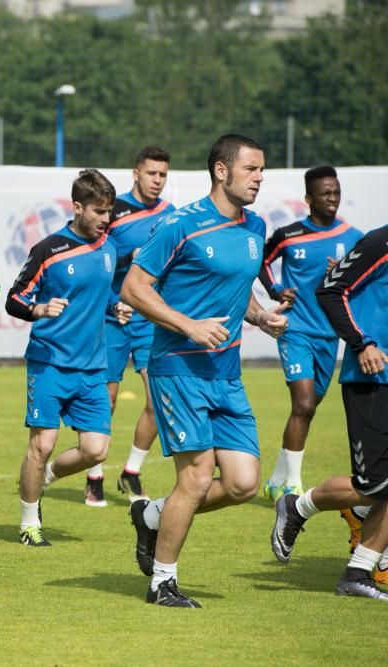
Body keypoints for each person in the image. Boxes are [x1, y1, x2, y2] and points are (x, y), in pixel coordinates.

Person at [122, 134, 289, 608]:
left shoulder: (255, 226)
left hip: (226, 374)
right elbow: (134, 288)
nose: (260, 178)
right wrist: (188, 326)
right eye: (252, 169)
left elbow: (239, 290)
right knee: (195, 479)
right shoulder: (180, 224)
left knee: (242, 483)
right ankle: (162, 582)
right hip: (177, 370)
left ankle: (153, 515)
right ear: (222, 171)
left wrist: (261, 317)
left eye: (263, 171)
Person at [6, 169, 130, 547]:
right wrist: (39, 310)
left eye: (109, 212)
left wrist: (117, 307)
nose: (106, 219)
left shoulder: (108, 248)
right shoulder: (49, 249)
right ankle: (29, 523)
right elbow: (14, 299)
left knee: (96, 450)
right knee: (41, 445)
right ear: (77, 208)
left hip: (93, 366)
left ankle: (42, 479)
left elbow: (104, 292)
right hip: (49, 363)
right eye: (99, 211)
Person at [270, 223, 388, 600]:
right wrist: (361, 343)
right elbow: (330, 289)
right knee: (374, 486)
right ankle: (297, 506)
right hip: (374, 377)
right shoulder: (380, 241)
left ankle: (360, 569)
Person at [258, 166, 363, 500]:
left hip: (328, 336)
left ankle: (277, 477)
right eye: (325, 194)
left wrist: (344, 275)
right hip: (295, 330)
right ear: (308, 199)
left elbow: (365, 286)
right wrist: (276, 291)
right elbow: (259, 261)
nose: (332, 199)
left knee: (308, 408)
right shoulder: (289, 235)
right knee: (303, 404)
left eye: (336, 193)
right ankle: (292, 486)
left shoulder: (354, 237)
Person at [94, 146, 175, 505]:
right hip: (112, 318)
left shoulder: (172, 215)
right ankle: (93, 474)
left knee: (158, 398)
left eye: (162, 175)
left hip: (149, 320)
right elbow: (95, 257)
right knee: (106, 400)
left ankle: (131, 472)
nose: (157, 180)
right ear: (136, 173)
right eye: (151, 173)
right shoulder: (114, 210)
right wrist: (126, 261)